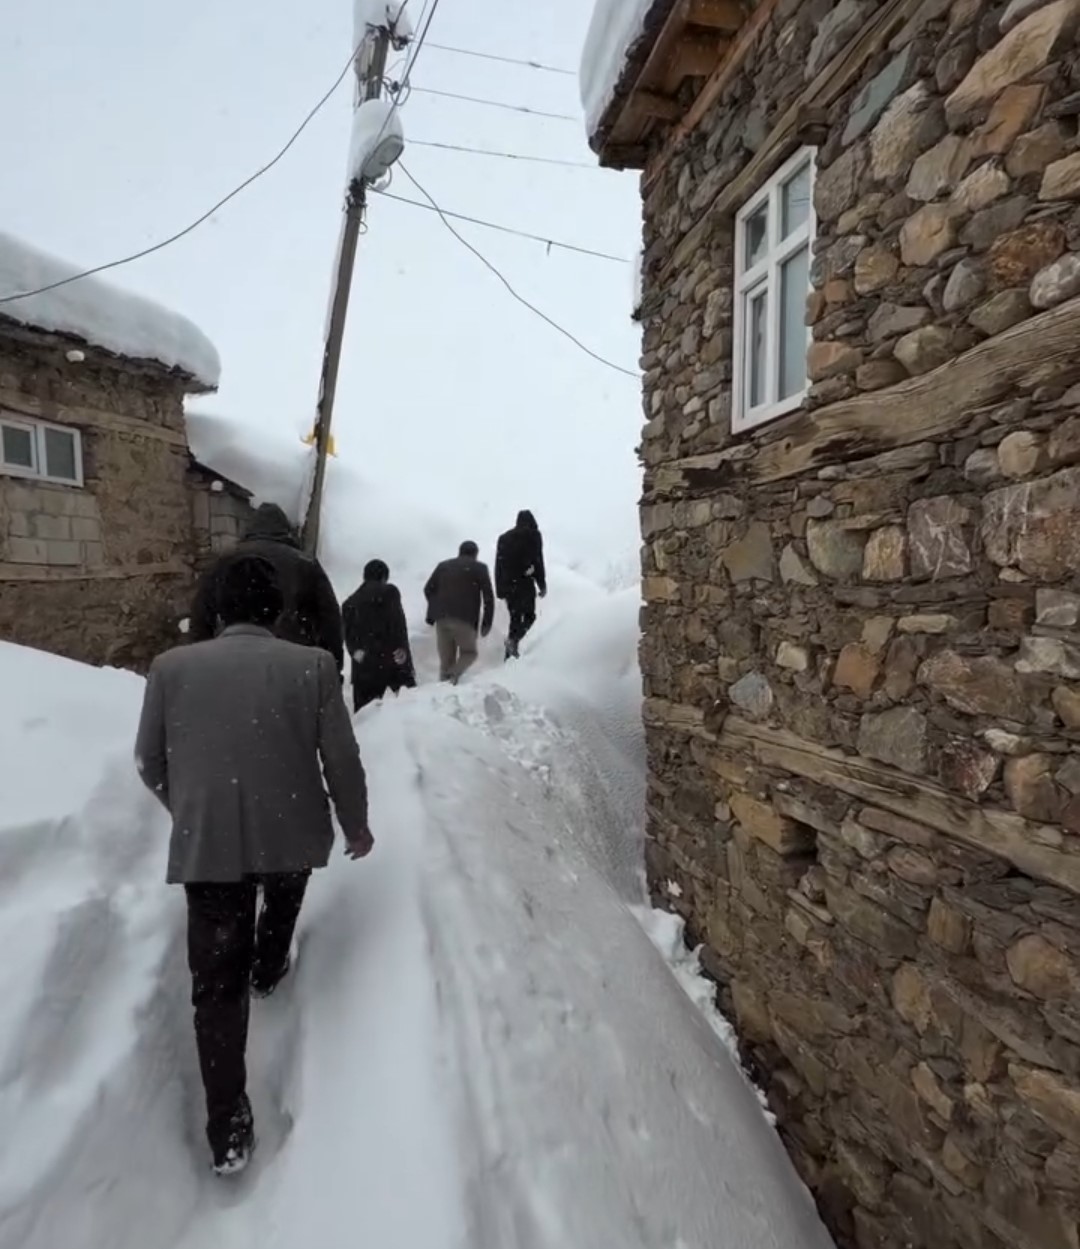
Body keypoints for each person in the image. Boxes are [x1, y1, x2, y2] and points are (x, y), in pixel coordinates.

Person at [135, 554, 372, 1177]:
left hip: (208, 846)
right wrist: (356, 825)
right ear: (276, 611)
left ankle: (227, 1124)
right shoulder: (312, 667)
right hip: (289, 830)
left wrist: (190, 809)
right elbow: (340, 761)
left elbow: (149, 763)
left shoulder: (170, 668)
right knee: (285, 897)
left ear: (214, 611)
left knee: (214, 985)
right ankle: (269, 967)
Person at [188, 502, 344, 675]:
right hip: (293, 661)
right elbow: (329, 618)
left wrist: (200, 655)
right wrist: (333, 665)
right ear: (285, 530)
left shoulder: (223, 562)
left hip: (231, 661)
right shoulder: (304, 564)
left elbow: (201, 613)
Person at [342, 559, 416, 712]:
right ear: (384, 577)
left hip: (364, 667)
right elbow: (398, 627)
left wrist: (358, 654)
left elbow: (348, 637)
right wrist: (405, 662)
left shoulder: (349, 603)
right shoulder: (389, 592)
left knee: (364, 716)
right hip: (391, 659)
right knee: (410, 706)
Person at [423, 540, 495, 684]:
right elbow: (488, 598)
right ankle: (452, 677)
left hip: (442, 620)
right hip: (464, 619)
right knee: (469, 653)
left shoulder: (443, 566)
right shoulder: (479, 568)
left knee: (446, 661)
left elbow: (428, 589)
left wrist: (433, 612)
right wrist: (486, 624)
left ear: (460, 552)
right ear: (475, 554)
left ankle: (443, 690)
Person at [495, 509, 547, 660]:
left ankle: (509, 656)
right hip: (524, 583)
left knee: (515, 618)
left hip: (508, 586)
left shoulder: (503, 538)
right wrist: (542, 584)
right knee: (530, 616)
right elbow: (538, 561)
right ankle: (513, 641)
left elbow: (498, 565)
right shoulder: (534, 535)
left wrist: (500, 589)